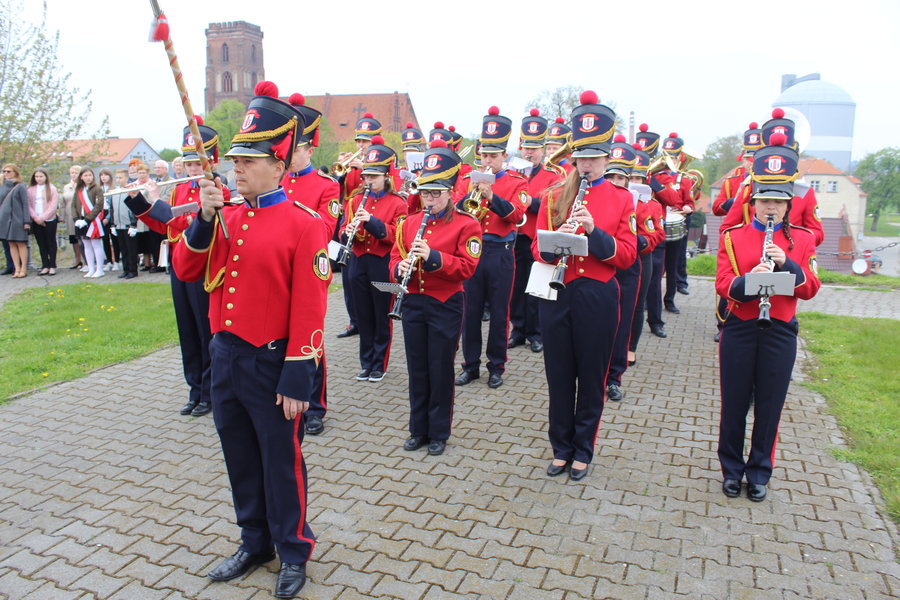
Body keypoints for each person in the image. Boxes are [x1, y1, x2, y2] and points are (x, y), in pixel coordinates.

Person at [171, 81, 329, 598]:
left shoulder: (305, 224)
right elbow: (187, 267)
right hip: (227, 357)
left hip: (273, 361)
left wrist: (298, 373)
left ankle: (293, 547)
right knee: (238, 454)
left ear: (279, 164)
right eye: (235, 159)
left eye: (250, 160)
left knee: (281, 462)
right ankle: (254, 540)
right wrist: (205, 216)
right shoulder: (226, 216)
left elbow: (310, 304)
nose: (236, 168)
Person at [532, 91, 636, 481]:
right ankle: (560, 447)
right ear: (573, 157)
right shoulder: (555, 195)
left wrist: (594, 232)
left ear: (607, 158)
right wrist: (559, 236)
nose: (587, 164)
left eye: (595, 157)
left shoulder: (622, 199)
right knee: (559, 375)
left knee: (591, 376)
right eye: (582, 157)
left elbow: (626, 255)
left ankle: (583, 450)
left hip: (597, 294)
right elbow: (537, 251)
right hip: (557, 292)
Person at [716, 133, 820, 502]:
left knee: (770, 405)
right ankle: (731, 469)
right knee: (734, 403)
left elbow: (809, 288)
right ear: (753, 202)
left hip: (780, 330)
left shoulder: (803, 240)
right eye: (764, 201)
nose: (770, 208)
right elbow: (724, 284)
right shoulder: (733, 235)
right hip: (741, 328)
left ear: (788, 205)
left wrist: (785, 263)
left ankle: (759, 471)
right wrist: (752, 280)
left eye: (778, 201)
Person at [126, 116, 230, 417]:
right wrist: (138, 201)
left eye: (198, 164)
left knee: (204, 332)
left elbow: (191, 223)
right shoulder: (179, 190)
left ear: (211, 163)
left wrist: (159, 204)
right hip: (178, 267)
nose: (192, 170)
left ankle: (211, 392)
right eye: (188, 164)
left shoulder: (216, 191)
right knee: (187, 332)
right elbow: (164, 226)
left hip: (203, 270)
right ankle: (195, 389)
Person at [390, 140, 482, 456]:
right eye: (425, 193)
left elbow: (467, 267)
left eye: (435, 194)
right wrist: (398, 266)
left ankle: (439, 431)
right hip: (414, 302)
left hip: (445, 304)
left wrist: (432, 257)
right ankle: (418, 430)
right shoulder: (408, 223)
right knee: (417, 368)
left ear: (450, 193)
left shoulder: (467, 225)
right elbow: (393, 258)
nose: (429, 199)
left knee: (440, 367)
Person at [454, 106, 528, 390]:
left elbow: (517, 216)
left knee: (499, 312)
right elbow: (456, 211)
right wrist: (472, 194)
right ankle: (470, 365)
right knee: (470, 311)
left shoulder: (515, 182)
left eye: (493, 156)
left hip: (501, 253)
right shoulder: (466, 181)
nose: (487, 160)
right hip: (472, 253)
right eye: (484, 155)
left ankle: (496, 366)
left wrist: (492, 196)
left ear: (504, 157)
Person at [283, 93, 340, 435]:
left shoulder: (326, 186)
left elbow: (324, 229)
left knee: (310, 341)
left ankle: (316, 407)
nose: (289, 155)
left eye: (296, 148)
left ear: (309, 149)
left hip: (308, 272)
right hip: (277, 272)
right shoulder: (277, 183)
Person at [339, 135, 407, 382]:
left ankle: (380, 363)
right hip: (358, 263)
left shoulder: (398, 203)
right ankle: (366, 362)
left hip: (382, 264)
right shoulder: (355, 199)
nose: (368, 181)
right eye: (366, 176)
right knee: (363, 314)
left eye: (374, 177)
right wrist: (347, 231)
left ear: (386, 176)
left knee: (381, 315)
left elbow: (397, 237)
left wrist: (371, 221)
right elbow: (343, 227)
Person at [509, 108, 564, 353]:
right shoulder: (511, 172)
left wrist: (530, 202)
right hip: (513, 237)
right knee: (516, 287)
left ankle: (536, 333)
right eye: (526, 148)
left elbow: (556, 206)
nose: (529, 153)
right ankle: (518, 330)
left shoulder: (553, 176)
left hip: (536, 237)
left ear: (542, 150)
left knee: (537, 288)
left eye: (534, 148)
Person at [711, 122, 762, 342]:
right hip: (739, 240)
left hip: (764, 238)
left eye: (755, 157)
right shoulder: (733, 181)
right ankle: (723, 323)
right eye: (747, 157)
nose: (750, 162)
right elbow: (717, 208)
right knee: (730, 284)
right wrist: (736, 199)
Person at [602, 136, 642, 402]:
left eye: (621, 178)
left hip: (626, 267)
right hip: (602, 266)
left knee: (621, 324)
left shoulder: (638, 200)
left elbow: (647, 233)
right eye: (612, 176)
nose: (617, 182)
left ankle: (614, 377)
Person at [335, 113, 380, 340]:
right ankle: (355, 320)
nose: (361, 146)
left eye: (366, 141)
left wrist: (365, 168)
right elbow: (338, 193)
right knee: (347, 277)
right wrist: (341, 174)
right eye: (359, 141)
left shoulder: (380, 165)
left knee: (368, 281)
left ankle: (371, 321)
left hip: (370, 226)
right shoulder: (350, 167)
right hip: (348, 225)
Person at [626, 147, 665, 367]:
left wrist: (643, 241)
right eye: (629, 176)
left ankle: (631, 347)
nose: (633, 181)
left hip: (641, 257)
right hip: (617, 254)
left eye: (637, 177)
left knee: (637, 304)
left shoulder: (653, 204)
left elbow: (657, 232)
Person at [651, 132, 695, 315]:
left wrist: (687, 208)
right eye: (668, 157)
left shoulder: (685, 180)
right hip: (659, 224)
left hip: (677, 224)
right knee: (656, 267)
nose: (671, 161)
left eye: (674, 158)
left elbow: (690, 203)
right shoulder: (656, 177)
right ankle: (651, 300)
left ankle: (669, 300)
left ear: (679, 159)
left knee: (672, 264)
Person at [72, 167, 107, 278]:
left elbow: (99, 206)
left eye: (90, 175)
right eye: (85, 175)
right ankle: (91, 268)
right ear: (81, 177)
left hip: (92, 220)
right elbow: (73, 205)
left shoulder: (97, 189)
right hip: (81, 220)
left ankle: (99, 269)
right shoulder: (79, 190)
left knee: (96, 245)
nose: (88, 178)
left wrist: (87, 219)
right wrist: (76, 219)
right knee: (86, 245)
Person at [27, 168, 60, 275]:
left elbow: (53, 206)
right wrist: (36, 218)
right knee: (41, 243)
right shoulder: (31, 189)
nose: (39, 179)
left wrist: (43, 217)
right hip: (36, 220)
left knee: (51, 242)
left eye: (41, 176)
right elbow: (29, 205)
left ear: (45, 177)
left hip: (49, 220)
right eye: (36, 177)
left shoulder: (51, 189)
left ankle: (52, 265)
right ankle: (45, 264)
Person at [108, 169, 139, 279]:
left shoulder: (130, 191)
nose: (118, 180)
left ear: (126, 178)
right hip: (119, 225)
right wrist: (112, 224)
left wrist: (133, 225)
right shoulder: (114, 192)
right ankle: (125, 269)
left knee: (131, 250)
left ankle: (133, 270)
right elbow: (112, 209)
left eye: (120, 177)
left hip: (128, 225)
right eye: (117, 178)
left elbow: (135, 209)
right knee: (123, 249)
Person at [0, 164, 30, 277]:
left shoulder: (20, 186)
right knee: (11, 244)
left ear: (15, 172)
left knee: (21, 243)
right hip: (5, 220)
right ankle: (16, 269)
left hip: (18, 219)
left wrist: (27, 221)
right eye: (4, 171)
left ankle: (23, 268)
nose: (6, 174)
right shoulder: (2, 185)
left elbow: (25, 204)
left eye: (9, 171)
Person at [61, 164, 85, 269]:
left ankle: (86, 260)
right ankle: (77, 260)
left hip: (81, 215)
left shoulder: (83, 186)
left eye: (76, 173)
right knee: (74, 239)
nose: (74, 175)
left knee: (83, 239)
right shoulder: (66, 187)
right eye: (72, 173)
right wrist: (62, 217)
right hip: (70, 216)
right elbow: (62, 203)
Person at [98, 169, 119, 271]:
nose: (103, 177)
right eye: (101, 175)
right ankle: (109, 261)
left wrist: (108, 218)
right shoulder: (99, 189)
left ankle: (117, 261)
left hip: (111, 214)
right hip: (101, 213)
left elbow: (114, 205)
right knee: (105, 239)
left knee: (114, 239)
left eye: (106, 175)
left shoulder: (114, 188)